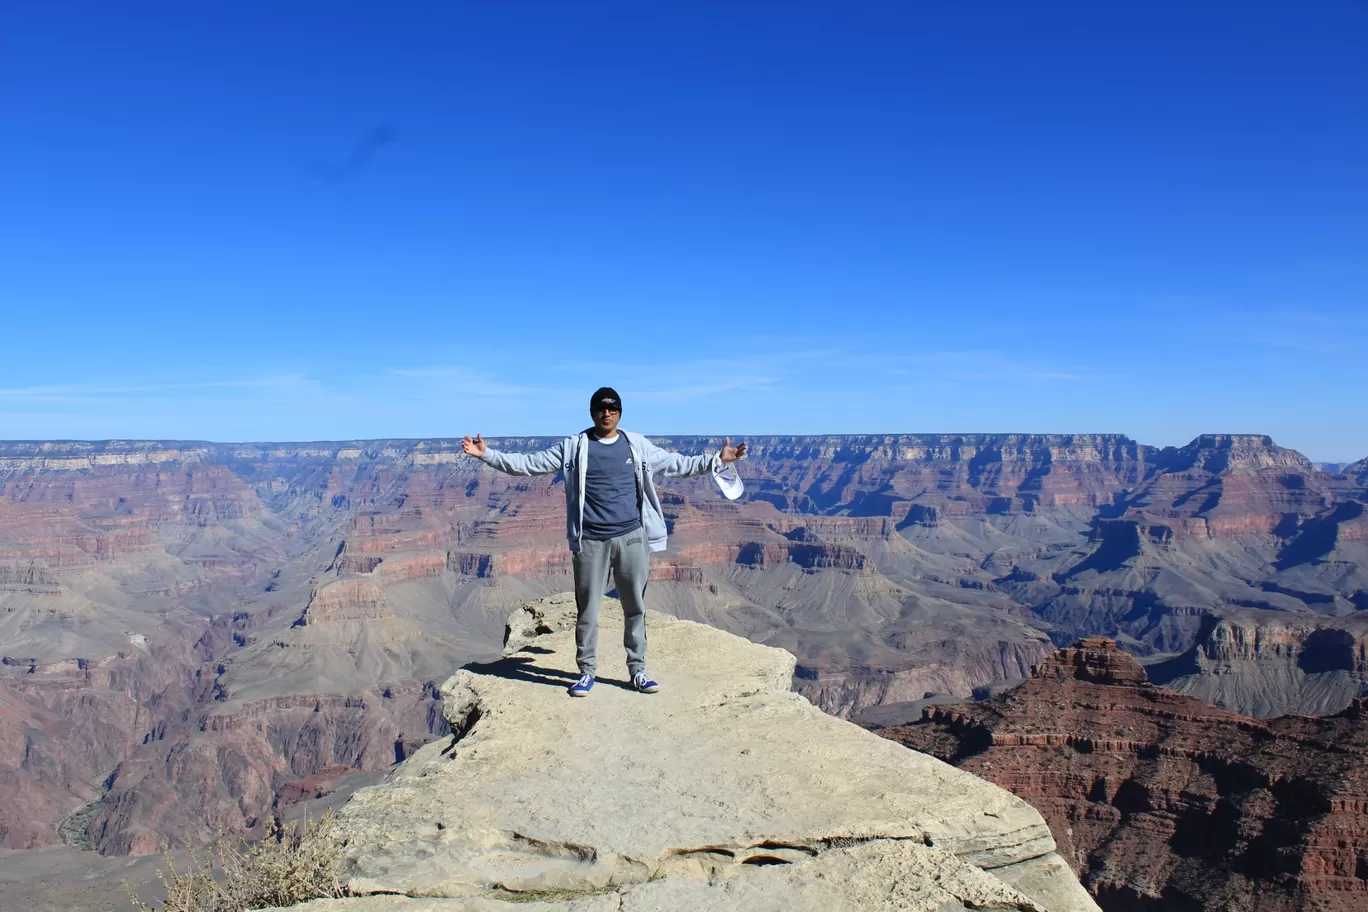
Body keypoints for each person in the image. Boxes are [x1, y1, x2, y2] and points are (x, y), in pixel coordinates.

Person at [461, 387, 746, 697]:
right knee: (588, 609)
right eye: (601, 408)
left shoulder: (636, 445)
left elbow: (678, 465)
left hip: (632, 538)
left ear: (620, 412)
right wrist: (486, 455)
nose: (606, 413)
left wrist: (717, 459)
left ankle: (637, 670)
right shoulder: (575, 447)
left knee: (635, 606)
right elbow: (529, 464)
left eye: (612, 408)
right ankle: (586, 671)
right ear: (592, 412)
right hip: (591, 541)